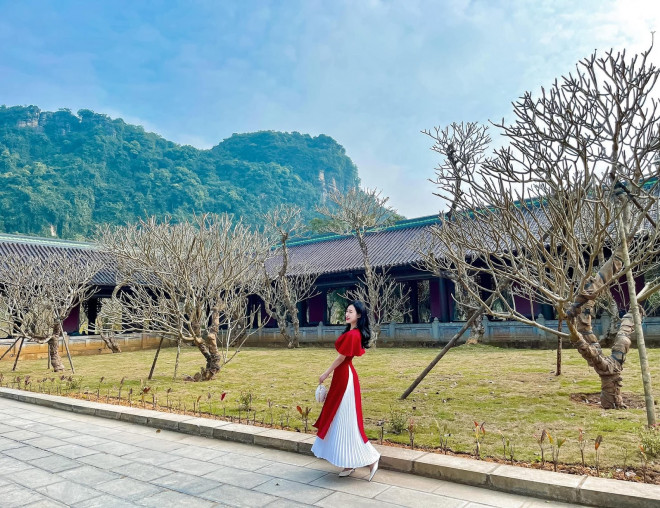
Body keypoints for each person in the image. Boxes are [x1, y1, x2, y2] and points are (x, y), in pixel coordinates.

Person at [311, 300, 380, 481]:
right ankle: (349, 463)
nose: (347, 314)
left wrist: (325, 373)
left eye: (351, 311)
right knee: (340, 418)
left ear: (359, 315)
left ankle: (372, 459)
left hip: (345, 378)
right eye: (347, 311)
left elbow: (341, 358)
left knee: (346, 418)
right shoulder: (351, 332)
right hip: (343, 377)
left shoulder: (353, 335)